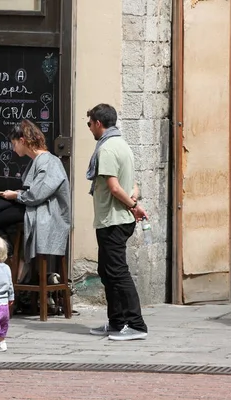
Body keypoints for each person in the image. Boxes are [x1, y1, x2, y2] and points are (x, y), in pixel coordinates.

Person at [0, 120, 70, 273]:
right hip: (34, 206)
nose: (14, 149)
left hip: (44, 212)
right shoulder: (39, 160)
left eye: (14, 144)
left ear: (22, 141)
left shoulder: (48, 161)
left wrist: (16, 195)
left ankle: (12, 258)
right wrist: (16, 195)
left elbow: (38, 194)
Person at [86, 103, 149, 341]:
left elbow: (114, 187)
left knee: (118, 273)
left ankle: (136, 325)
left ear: (99, 124)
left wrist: (134, 206)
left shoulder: (107, 149)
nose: (90, 128)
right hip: (111, 219)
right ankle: (116, 322)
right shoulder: (122, 145)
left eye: (90, 123)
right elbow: (134, 184)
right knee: (107, 271)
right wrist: (133, 199)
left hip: (113, 219)